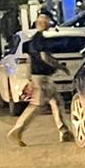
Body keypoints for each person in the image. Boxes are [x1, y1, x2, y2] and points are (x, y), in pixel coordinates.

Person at [8, 11, 69, 145]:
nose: (49, 24)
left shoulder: (35, 39)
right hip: (42, 78)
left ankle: (64, 131)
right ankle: (17, 130)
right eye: (47, 21)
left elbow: (36, 58)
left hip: (38, 76)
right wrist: (58, 66)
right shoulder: (40, 39)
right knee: (37, 105)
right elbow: (44, 57)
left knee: (56, 101)